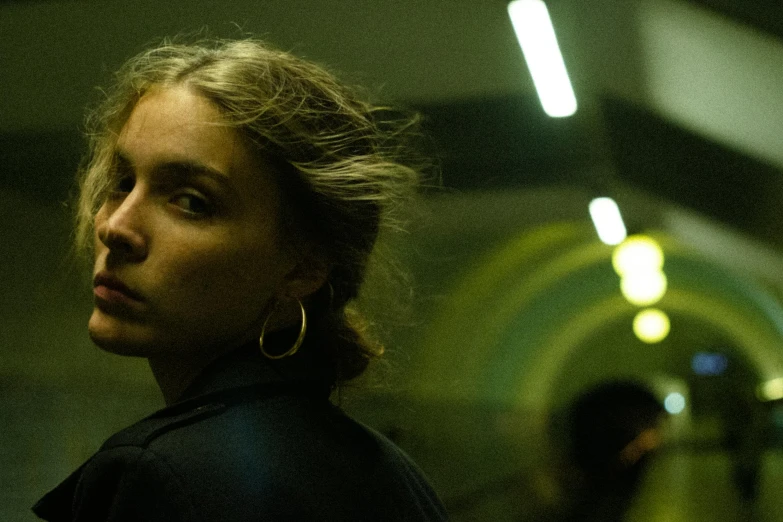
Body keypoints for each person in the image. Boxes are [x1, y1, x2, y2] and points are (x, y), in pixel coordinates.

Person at [33, 37, 447, 521]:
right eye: (123, 182)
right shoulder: (394, 474)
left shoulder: (166, 477)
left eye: (191, 201)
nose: (115, 226)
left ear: (302, 268)